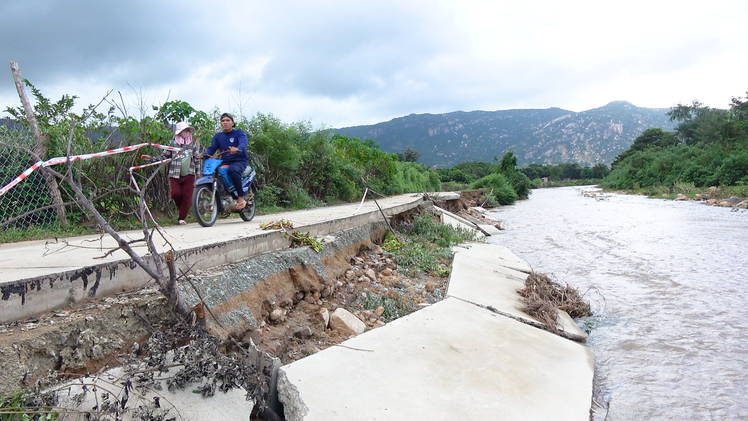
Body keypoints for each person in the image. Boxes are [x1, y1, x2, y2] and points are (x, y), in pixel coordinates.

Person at [141, 121, 200, 225]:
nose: (186, 132)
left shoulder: (192, 144)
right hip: (174, 173)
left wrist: (198, 172)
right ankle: (182, 208)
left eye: (187, 130)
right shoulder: (172, 143)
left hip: (189, 173)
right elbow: (164, 157)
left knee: (187, 196)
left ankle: (181, 218)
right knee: (175, 193)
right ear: (179, 132)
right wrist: (151, 159)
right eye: (183, 131)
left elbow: (196, 159)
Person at [199, 113, 249, 209]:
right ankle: (222, 196)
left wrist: (237, 148)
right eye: (223, 121)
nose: (225, 122)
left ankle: (240, 197)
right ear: (221, 123)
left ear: (233, 123)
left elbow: (243, 143)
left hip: (239, 161)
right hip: (225, 161)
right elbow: (211, 149)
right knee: (215, 173)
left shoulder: (239, 133)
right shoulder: (218, 136)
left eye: (227, 120)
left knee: (232, 171)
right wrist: (203, 155)